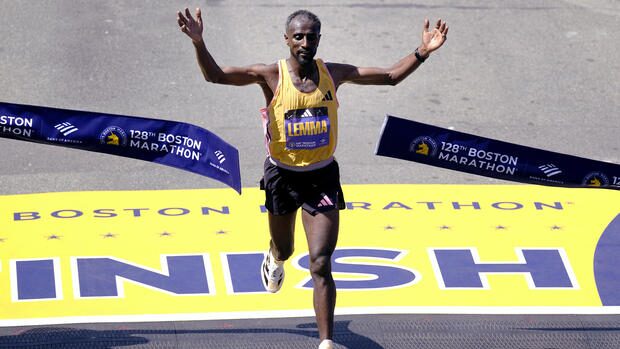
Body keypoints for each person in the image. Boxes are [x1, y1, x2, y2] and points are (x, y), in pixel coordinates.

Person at [177, 7, 448, 349]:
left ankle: (327, 342)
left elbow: (390, 76)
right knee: (286, 248)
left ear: (319, 39)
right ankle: (274, 257)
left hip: (321, 177)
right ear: (287, 39)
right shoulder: (269, 76)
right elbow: (215, 75)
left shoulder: (332, 73)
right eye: (299, 36)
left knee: (320, 262)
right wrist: (199, 43)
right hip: (281, 176)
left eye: (311, 36)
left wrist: (423, 50)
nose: (305, 42)